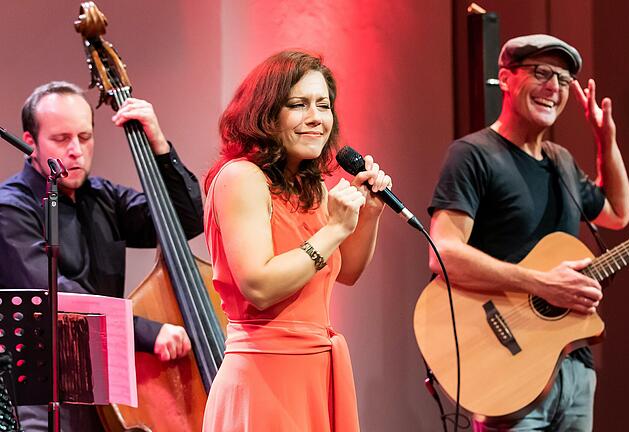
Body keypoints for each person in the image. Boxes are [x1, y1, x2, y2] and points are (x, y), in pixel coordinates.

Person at [428, 34, 629, 431]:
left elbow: (618, 214)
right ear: (505, 79)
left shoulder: (562, 163)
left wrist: (605, 141)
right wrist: (542, 284)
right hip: (508, 368)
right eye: (541, 73)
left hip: (573, 365)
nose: (554, 87)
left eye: (563, 78)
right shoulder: (473, 155)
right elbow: (443, 255)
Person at [201, 50, 390, 432]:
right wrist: (334, 229)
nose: (316, 118)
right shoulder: (241, 178)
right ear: (267, 114)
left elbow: (348, 271)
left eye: (323, 105)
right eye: (298, 105)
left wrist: (369, 212)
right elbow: (260, 285)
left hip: (315, 371)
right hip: (265, 375)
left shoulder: (314, 186)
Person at [0, 81, 199, 431]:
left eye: (85, 136)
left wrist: (159, 146)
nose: (76, 150)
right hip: (38, 404)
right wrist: (147, 332)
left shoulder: (104, 197)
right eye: (61, 139)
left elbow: (185, 221)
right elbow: (56, 296)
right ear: (29, 142)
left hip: (104, 392)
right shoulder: (11, 209)